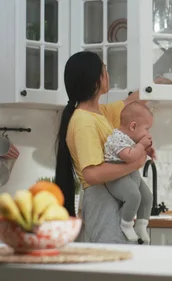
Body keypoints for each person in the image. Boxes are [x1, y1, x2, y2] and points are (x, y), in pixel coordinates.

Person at [55, 51, 148, 244]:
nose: (108, 74)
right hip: (101, 199)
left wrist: (157, 84)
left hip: (112, 194)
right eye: (105, 70)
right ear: (97, 80)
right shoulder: (84, 122)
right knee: (113, 264)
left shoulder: (99, 113)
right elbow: (92, 174)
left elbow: (132, 103)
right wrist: (135, 163)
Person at [103, 102, 155, 242]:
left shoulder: (131, 139)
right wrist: (142, 145)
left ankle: (141, 225)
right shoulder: (116, 138)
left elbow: (136, 151)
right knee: (133, 196)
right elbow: (129, 156)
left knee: (147, 197)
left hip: (131, 174)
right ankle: (126, 224)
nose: (148, 134)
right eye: (147, 129)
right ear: (133, 126)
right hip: (116, 176)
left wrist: (147, 150)